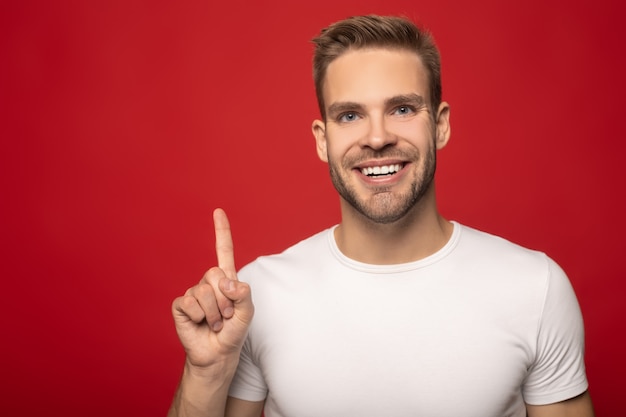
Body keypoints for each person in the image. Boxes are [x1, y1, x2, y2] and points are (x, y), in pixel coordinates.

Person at [168, 14, 594, 417]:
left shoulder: (535, 288)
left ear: (440, 125)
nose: (376, 137)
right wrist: (205, 374)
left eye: (403, 109)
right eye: (350, 115)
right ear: (323, 140)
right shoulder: (257, 295)